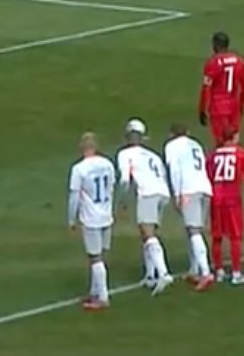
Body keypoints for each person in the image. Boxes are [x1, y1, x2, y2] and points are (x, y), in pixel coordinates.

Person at [116, 119, 173, 294]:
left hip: (148, 193)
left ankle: (163, 273)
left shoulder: (125, 154)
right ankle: (150, 275)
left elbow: (125, 178)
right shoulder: (152, 155)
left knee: (147, 233)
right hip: (163, 192)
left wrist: (122, 200)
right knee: (148, 234)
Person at [164, 123, 217, 290]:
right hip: (205, 188)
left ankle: (205, 272)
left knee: (193, 230)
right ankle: (194, 269)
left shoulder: (172, 146)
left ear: (172, 134)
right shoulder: (196, 143)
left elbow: (174, 170)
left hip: (189, 189)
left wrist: (178, 193)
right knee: (195, 230)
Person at [68, 133, 116, 310]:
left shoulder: (79, 169)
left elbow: (74, 196)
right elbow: (111, 187)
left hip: (90, 218)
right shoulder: (108, 164)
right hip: (106, 215)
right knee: (102, 255)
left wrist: (71, 219)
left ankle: (102, 297)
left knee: (95, 257)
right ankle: (95, 290)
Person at [207, 130, 244, 285]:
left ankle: (219, 270)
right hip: (232, 199)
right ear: (234, 137)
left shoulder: (212, 156)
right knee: (235, 236)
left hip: (215, 198)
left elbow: (207, 176)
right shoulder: (240, 154)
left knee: (217, 235)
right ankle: (236, 273)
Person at [198, 31, 244, 146]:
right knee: (234, 141)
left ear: (215, 45)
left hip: (218, 108)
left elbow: (206, 89)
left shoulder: (212, 63)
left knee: (221, 143)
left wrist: (202, 109)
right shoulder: (239, 61)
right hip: (234, 106)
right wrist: (241, 105)